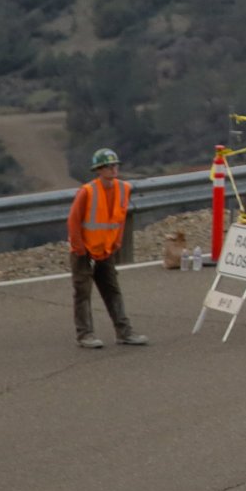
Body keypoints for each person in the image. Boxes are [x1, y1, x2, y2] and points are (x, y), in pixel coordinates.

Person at [67, 148, 146, 349]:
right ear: (98, 170)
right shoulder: (87, 191)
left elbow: (119, 219)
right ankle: (85, 334)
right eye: (108, 166)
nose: (113, 169)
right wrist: (79, 248)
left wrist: (116, 243)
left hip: (106, 250)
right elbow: (74, 221)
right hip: (84, 251)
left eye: (115, 165)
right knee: (83, 292)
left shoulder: (123, 189)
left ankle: (124, 332)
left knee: (112, 290)